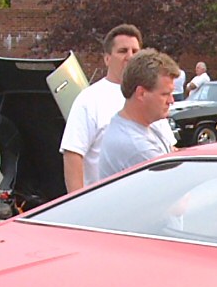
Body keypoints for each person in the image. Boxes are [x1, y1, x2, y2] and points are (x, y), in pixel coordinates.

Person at [61, 24, 176, 192]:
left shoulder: (154, 99)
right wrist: (77, 204)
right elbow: (73, 155)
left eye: (135, 51)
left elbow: (169, 148)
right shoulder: (89, 99)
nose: (129, 57)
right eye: (122, 51)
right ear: (107, 58)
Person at [98, 50, 181, 180]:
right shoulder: (137, 146)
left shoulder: (140, 126)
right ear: (141, 93)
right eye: (165, 94)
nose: (171, 101)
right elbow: (176, 188)